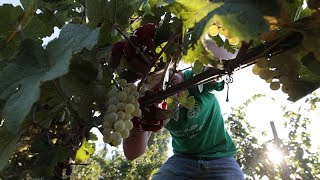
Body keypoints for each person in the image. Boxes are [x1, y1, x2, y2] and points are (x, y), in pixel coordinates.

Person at [123, 66, 245, 179]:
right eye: (157, 87)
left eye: (169, 80)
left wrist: (214, 68)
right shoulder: (154, 108)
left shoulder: (194, 78)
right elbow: (132, 153)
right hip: (182, 159)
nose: (166, 89)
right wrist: (139, 115)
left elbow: (215, 75)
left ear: (177, 69)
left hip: (221, 156)